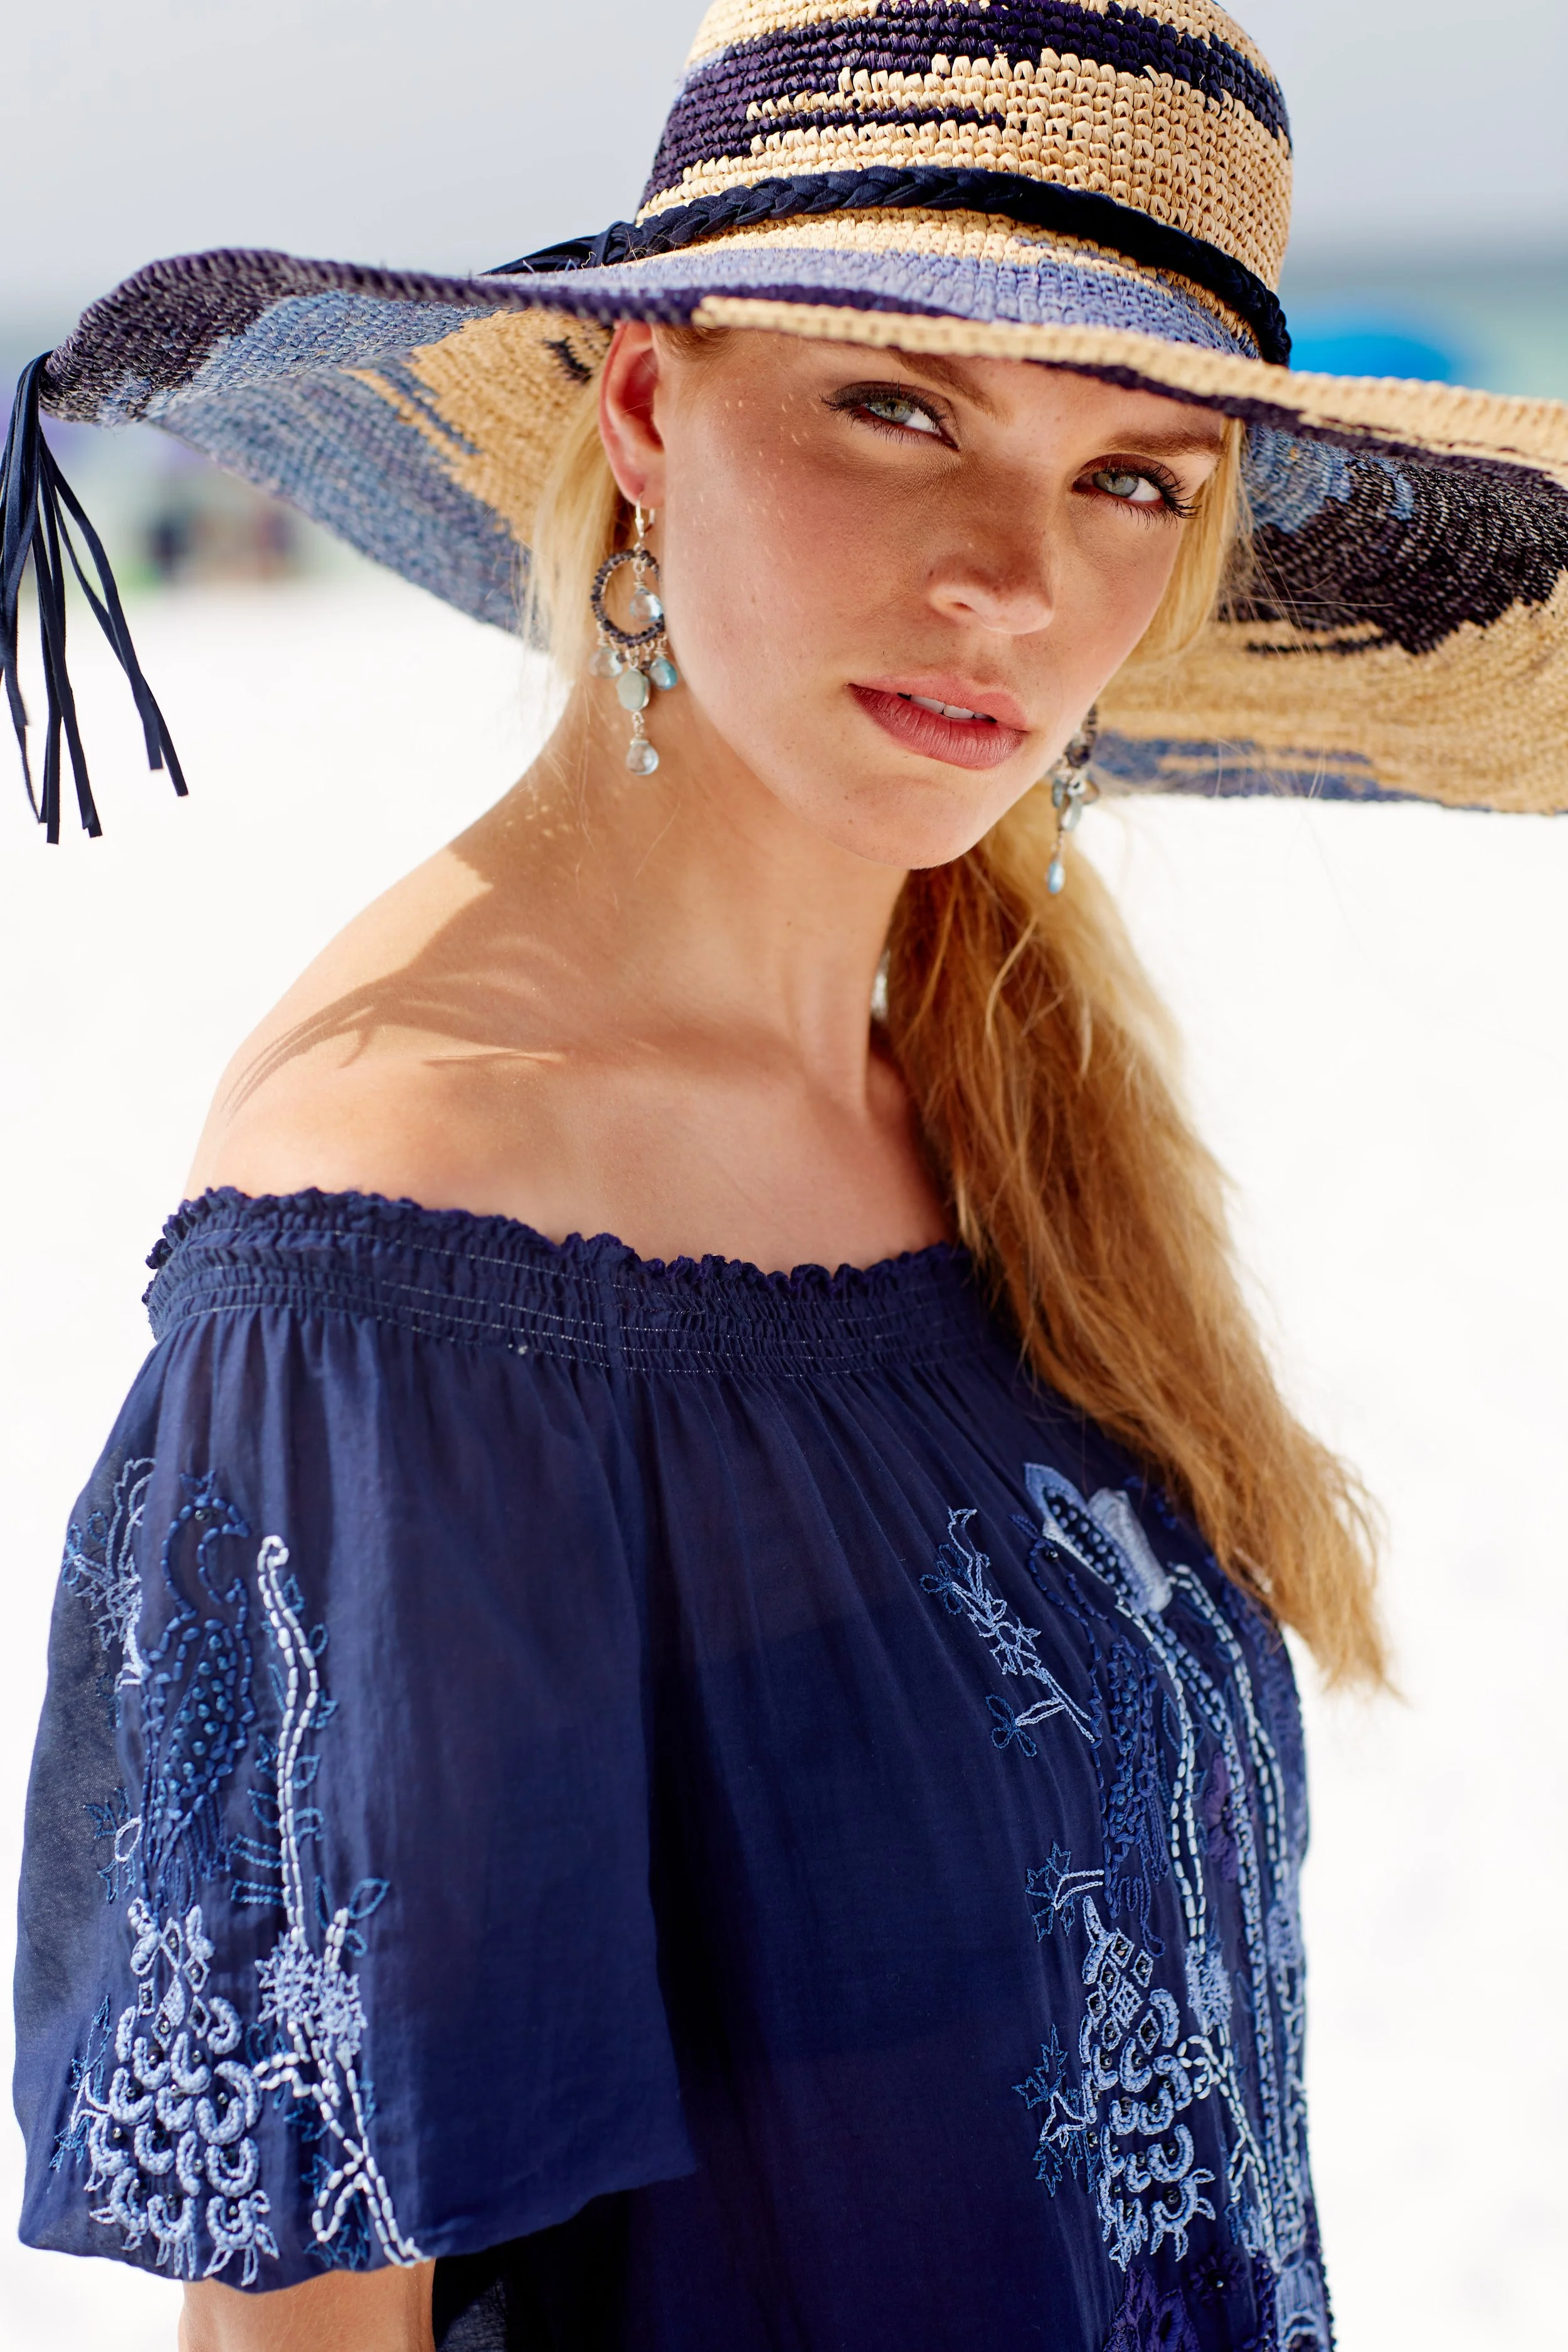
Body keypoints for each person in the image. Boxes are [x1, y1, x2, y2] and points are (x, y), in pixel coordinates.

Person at [9, 4, 1567, 2348]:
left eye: (1131, 476)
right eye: (899, 407)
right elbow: (305, 2315)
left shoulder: (976, 1079)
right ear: (643, 408)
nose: (1009, 584)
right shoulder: (416, 1235)